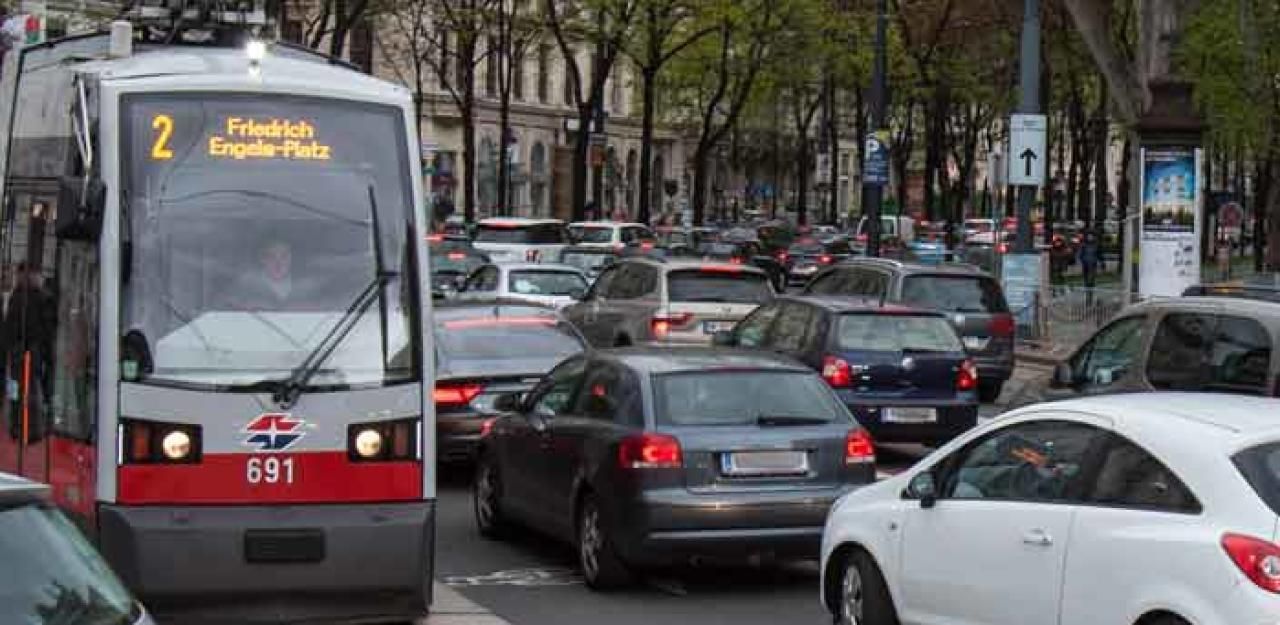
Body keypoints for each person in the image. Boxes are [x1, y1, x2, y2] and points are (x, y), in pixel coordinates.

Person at [223, 238, 298, 311]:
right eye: (272, 257)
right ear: (262, 259)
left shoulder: (305, 287)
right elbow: (223, 307)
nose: (278, 263)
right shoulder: (246, 285)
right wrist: (242, 307)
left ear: (291, 258)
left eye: (284, 257)